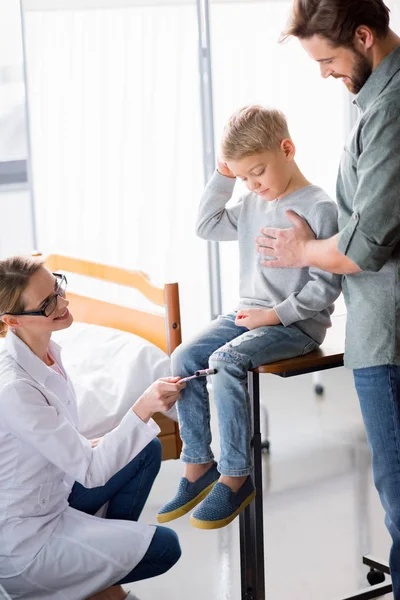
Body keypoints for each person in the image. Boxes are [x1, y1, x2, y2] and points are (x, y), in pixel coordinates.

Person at [255, 0, 400, 595]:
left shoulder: (389, 109)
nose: (324, 74)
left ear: (364, 36)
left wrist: (301, 252)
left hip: (389, 338)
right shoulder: (374, 103)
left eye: (329, 59)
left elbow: (364, 246)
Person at [157, 105, 342, 530]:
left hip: (295, 323)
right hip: (249, 314)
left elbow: (326, 287)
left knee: (225, 362)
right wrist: (224, 177)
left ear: (287, 149)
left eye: (257, 172)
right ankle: (198, 466)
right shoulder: (251, 203)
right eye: (242, 177)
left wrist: (273, 316)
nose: (252, 185)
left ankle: (236, 475)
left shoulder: (318, 207)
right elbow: (206, 224)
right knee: (185, 357)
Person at [0, 256, 183, 600]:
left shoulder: (48, 353)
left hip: (53, 495)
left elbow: (70, 448)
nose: (64, 303)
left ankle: (98, 576)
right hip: (27, 542)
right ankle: (97, 587)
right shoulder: (15, 389)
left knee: (145, 450)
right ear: (12, 321)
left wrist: (113, 436)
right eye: (48, 303)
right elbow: (91, 471)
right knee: (164, 547)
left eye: (58, 287)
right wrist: (143, 406)